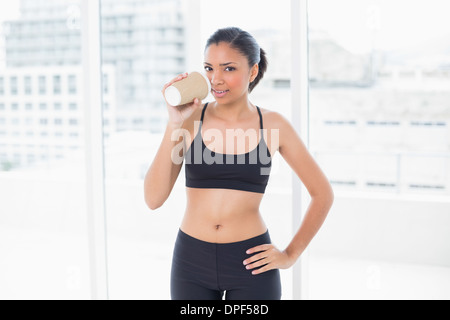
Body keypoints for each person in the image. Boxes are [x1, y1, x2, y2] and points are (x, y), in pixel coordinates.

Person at [144, 27, 334, 300]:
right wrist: (174, 122)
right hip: (191, 262)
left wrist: (290, 255)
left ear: (253, 72)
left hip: (251, 264)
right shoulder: (190, 118)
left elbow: (322, 193)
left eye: (229, 69)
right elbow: (153, 198)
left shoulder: (273, 125)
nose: (216, 80)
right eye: (209, 68)